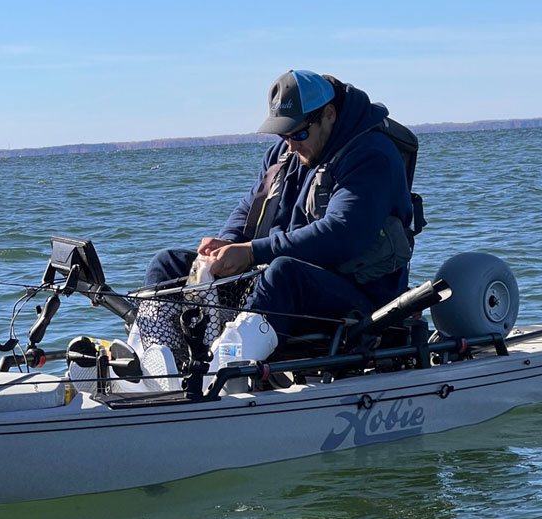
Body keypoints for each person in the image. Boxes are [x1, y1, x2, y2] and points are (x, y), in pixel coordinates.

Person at [144, 69, 414, 341]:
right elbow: (249, 210)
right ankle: (156, 354)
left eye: (299, 134)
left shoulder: (371, 155)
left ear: (329, 114)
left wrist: (250, 253)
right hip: (275, 283)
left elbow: (342, 234)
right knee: (167, 264)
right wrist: (226, 245)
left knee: (284, 273)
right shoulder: (283, 154)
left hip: (358, 299)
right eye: (284, 135)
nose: (291, 146)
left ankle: (232, 364)